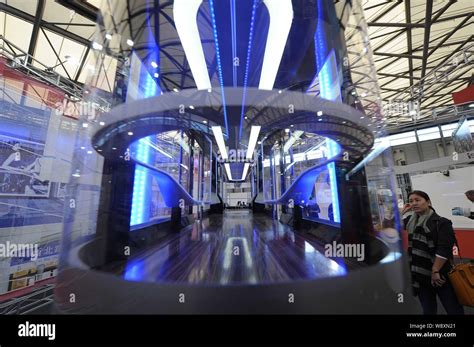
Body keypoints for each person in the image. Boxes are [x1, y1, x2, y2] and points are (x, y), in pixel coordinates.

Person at [401, 190, 464, 315]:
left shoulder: (442, 222)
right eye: (411, 201)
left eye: (418, 200)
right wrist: (402, 211)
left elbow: (444, 249)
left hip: (441, 275)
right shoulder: (410, 221)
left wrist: (435, 270)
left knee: (453, 309)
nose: (414, 203)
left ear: (428, 202)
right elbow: (389, 226)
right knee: (428, 310)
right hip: (420, 275)